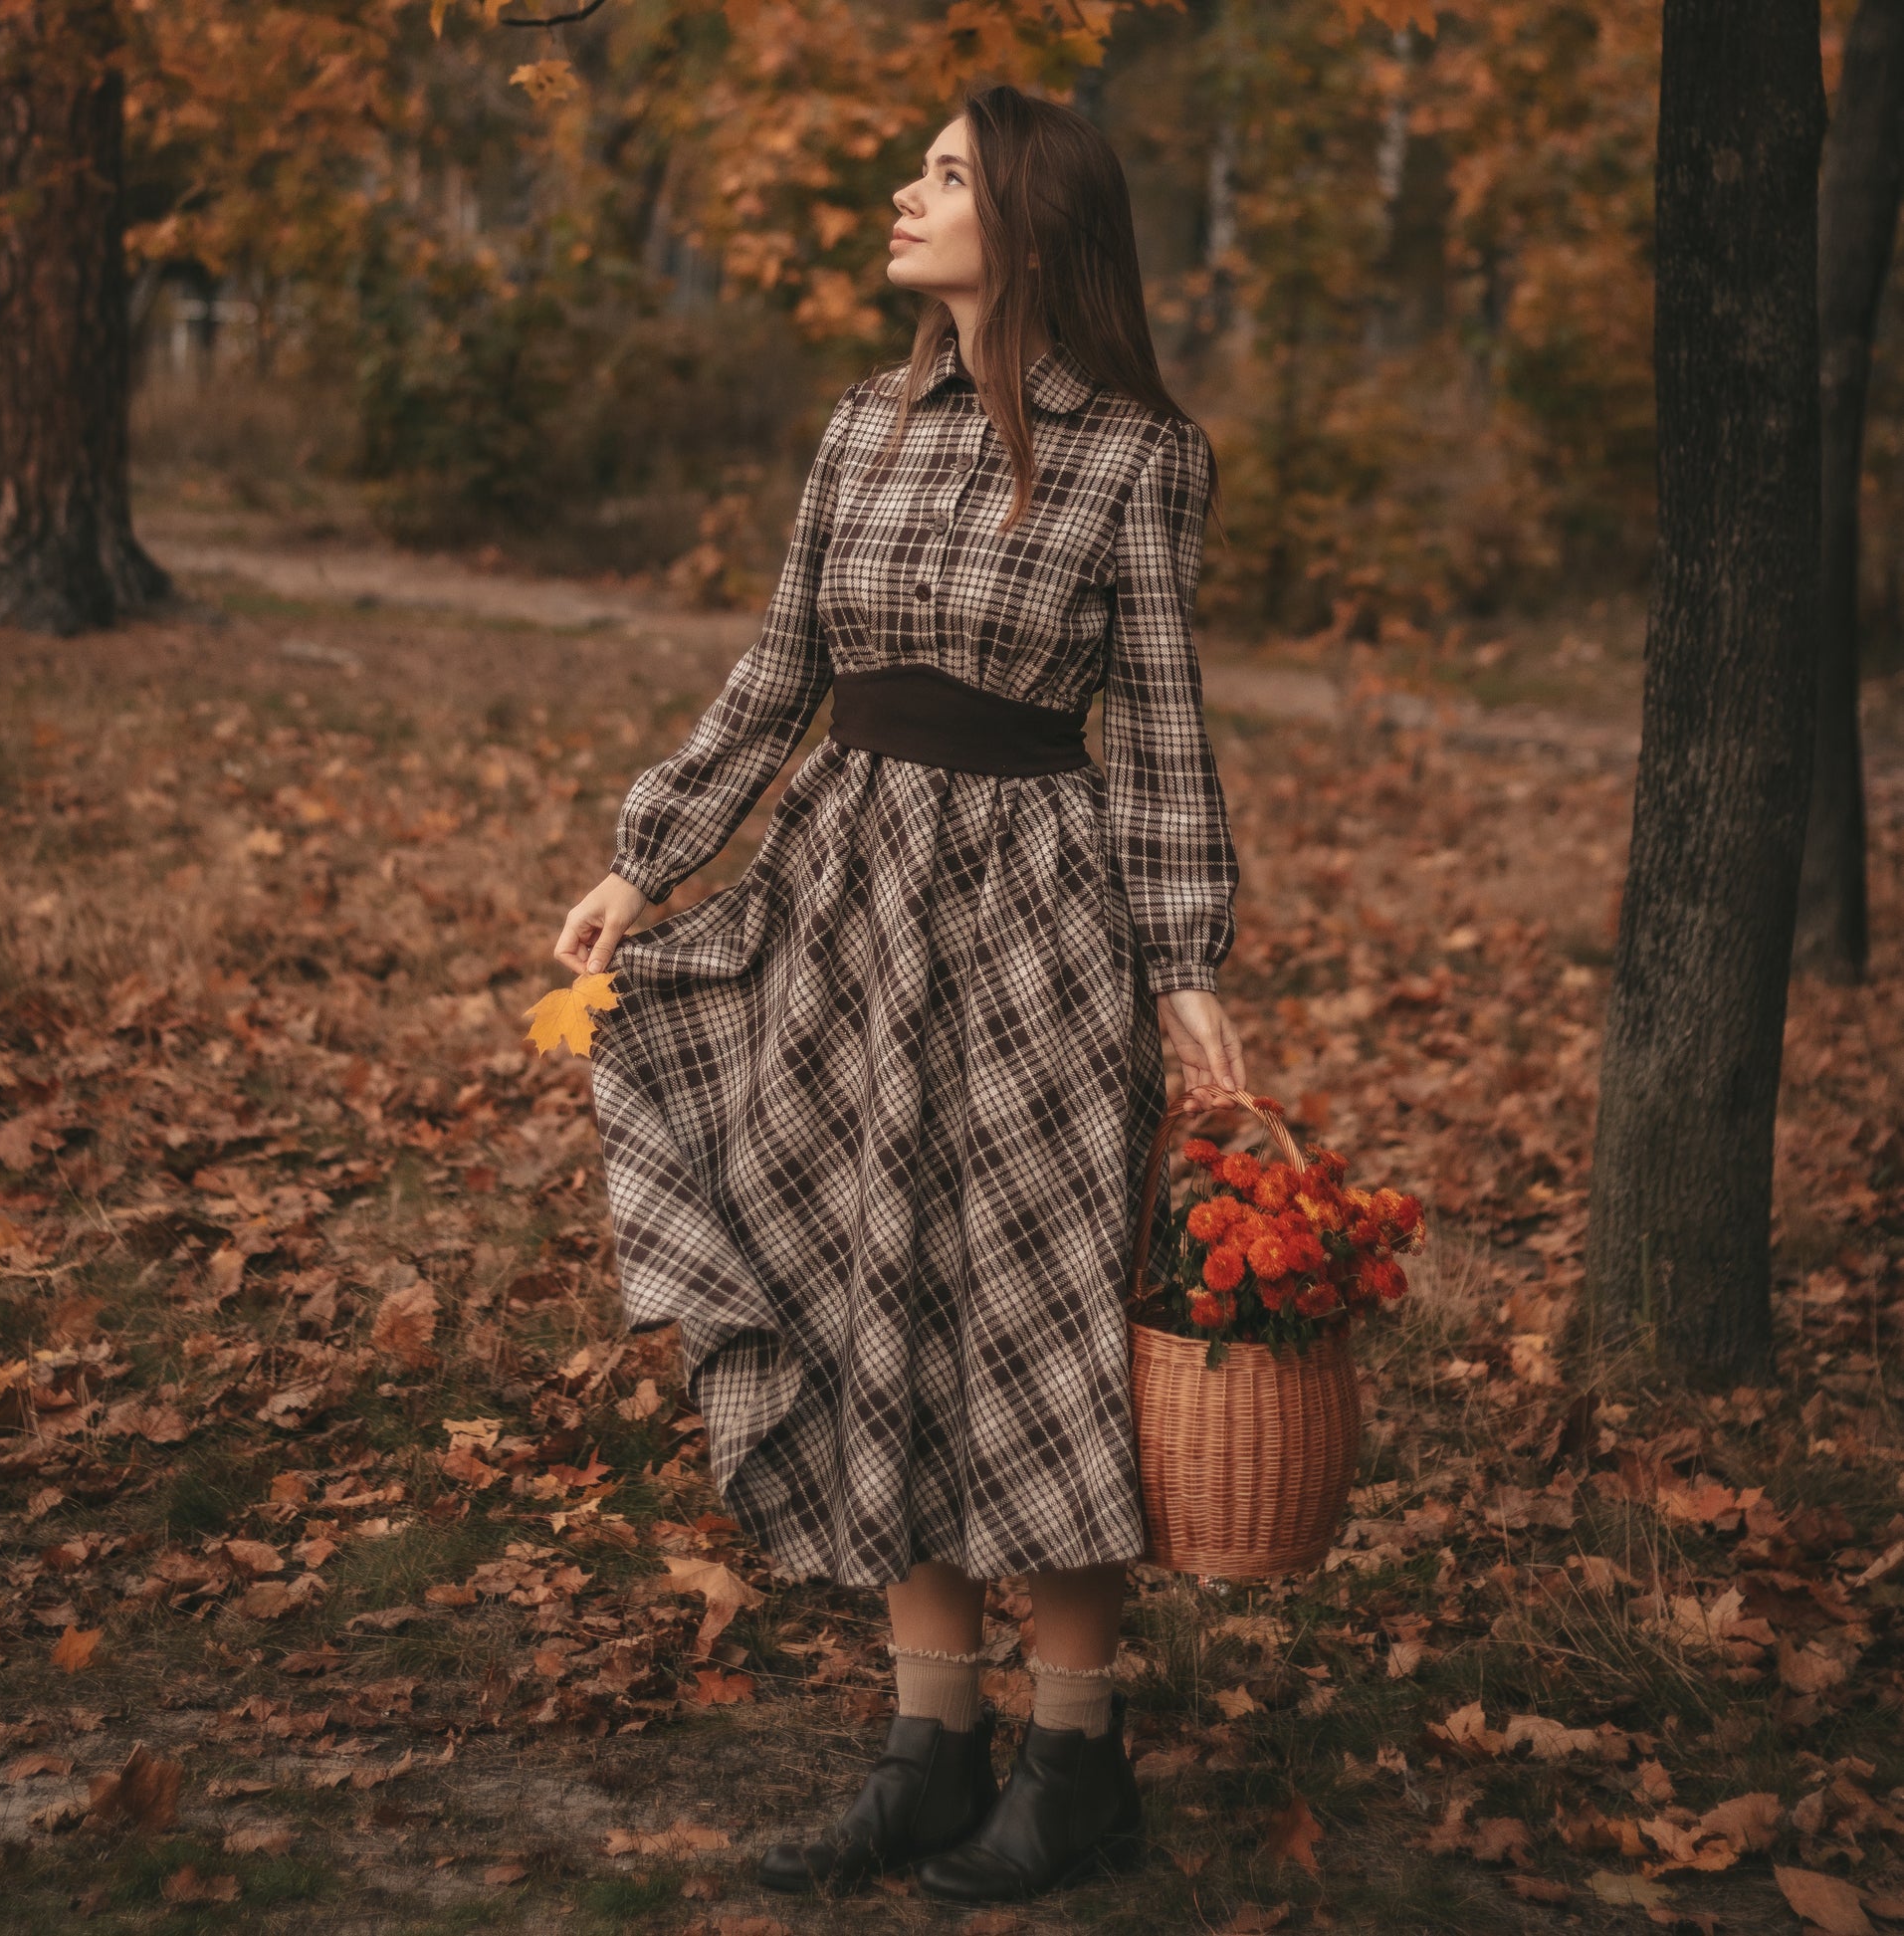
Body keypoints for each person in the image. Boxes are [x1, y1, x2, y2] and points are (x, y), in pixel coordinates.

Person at [553, 82, 1244, 1905]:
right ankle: (926, 1746)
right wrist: (652, 851)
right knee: (864, 1296)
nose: (899, 191)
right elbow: (777, 670)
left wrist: (1181, 963)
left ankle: (1075, 1757)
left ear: (1025, 220)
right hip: (840, 895)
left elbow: (1161, 723)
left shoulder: (1137, 456)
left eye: (940, 174)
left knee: (1025, 1313)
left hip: (1032, 922)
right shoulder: (856, 428)